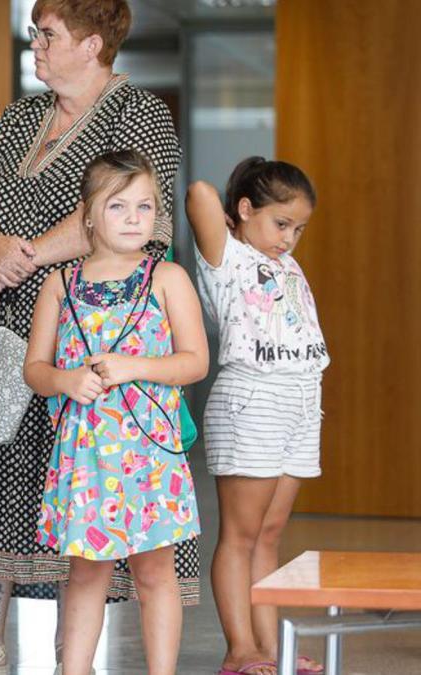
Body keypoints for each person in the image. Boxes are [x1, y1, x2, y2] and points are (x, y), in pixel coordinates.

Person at [0, 1, 195, 672]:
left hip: (87, 320)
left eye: (48, 34)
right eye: (36, 32)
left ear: (93, 43)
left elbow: (135, 215)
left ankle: (78, 649)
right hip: (7, 321)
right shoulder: (21, 116)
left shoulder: (140, 113)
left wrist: (25, 256)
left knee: (78, 474)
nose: (35, 44)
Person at [25, 150, 207, 675]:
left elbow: (195, 362)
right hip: (86, 458)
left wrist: (133, 366)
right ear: (87, 214)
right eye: (118, 206)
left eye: (145, 207)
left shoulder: (167, 277)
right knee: (85, 575)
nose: (134, 218)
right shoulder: (60, 285)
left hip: (150, 456)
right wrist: (65, 380)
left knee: (156, 575)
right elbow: (35, 368)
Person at [187, 158, 327, 675]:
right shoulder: (228, 258)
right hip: (253, 400)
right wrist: (232, 220)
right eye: (281, 223)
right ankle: (240, 649)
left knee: (269, 536)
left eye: (299, 228)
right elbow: (200, 191)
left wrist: (267, 232)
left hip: (300, 401)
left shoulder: (284, 264)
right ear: (244, 210)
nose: (289, 239)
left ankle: (272, 650)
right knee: (241, 536)